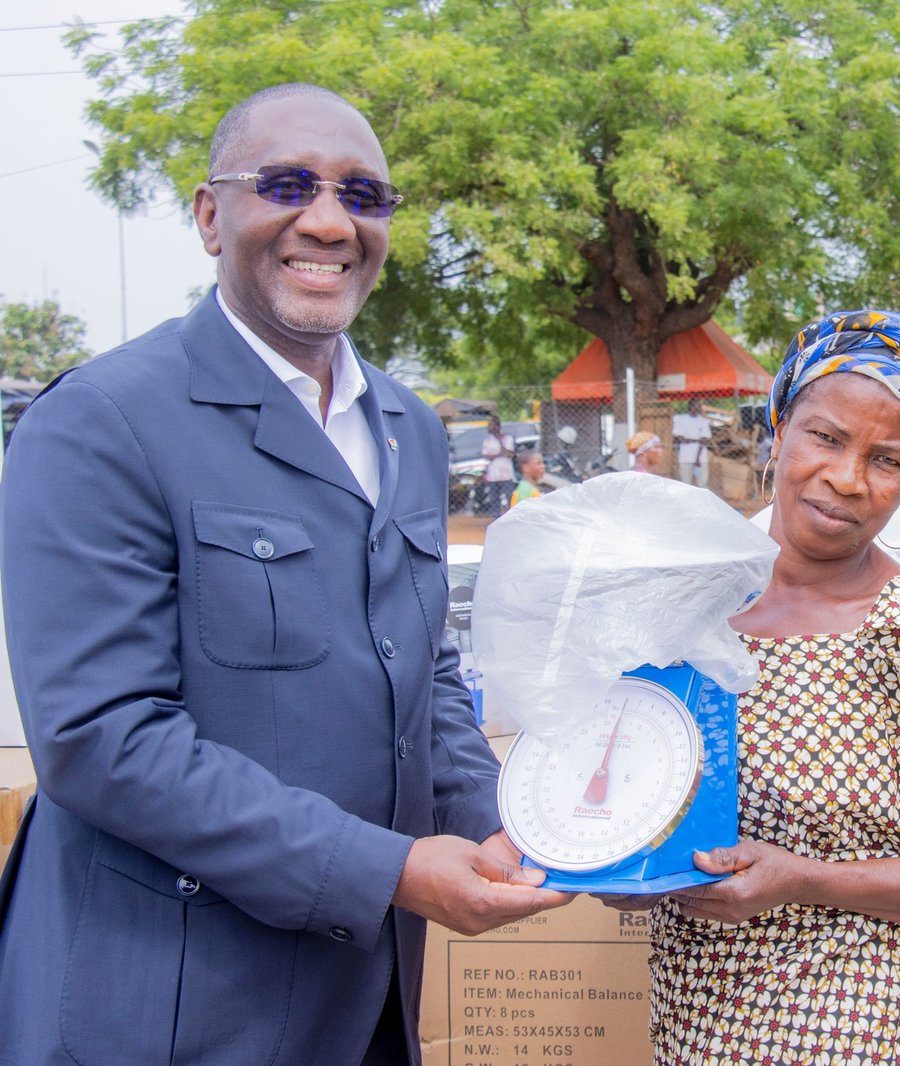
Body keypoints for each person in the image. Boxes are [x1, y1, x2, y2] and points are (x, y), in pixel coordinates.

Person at [0, 83, 568, 1066]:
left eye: (363, 195)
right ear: (211, 215)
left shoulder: (409, 427)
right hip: (169, 1007)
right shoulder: (104, 422)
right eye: (286, 185)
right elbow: (102, 740)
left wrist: (512, 827)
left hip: (366, 998)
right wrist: (388, 868)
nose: (328, 221)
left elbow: (420, 675)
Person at [605, 309, 900, 1063]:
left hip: (886, 1020)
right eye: (827, 437)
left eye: (887, 460)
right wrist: (622, 867)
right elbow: (630, 804)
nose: (848, 479)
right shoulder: (684, 618)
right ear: (777, 428)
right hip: (710, 1016)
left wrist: (806, 880)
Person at [479, 413, 517, 514]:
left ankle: (510, 515)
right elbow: (487, 456)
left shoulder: (508, 438)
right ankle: (496, 517)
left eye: (491, 425)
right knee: (494, 498)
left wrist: (500, 443)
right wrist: (500, 454)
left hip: (507, 473)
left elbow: (509, 454)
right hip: (494, 474)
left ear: (497, 426)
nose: (489, 428)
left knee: (509, 496)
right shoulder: (488, 440)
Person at [672, 396, 712, 486]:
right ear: (690, 407)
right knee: (686, 483)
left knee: (702, 484)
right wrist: (697, 440)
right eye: (695, 406)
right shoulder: (681, 420)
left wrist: (697, 457)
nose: (698, 408)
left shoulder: (703, 421)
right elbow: (678, 438)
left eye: (699, 406)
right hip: (685, 457)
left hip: (701, 458)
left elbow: (705, 440)